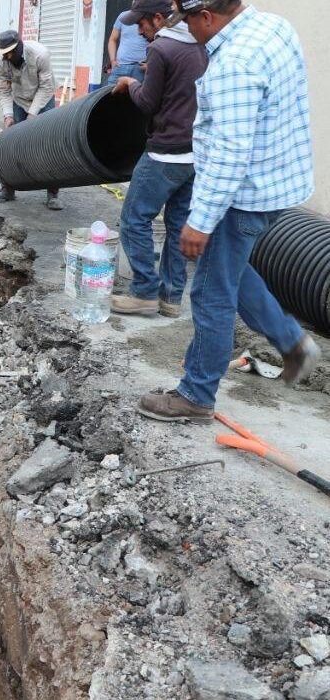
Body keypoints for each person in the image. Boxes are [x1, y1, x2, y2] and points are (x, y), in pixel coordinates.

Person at [138, 0, 321, 423]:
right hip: (278, 184)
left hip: (243, 195)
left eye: (189, 22)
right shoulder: (272, 27)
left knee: (210, 292)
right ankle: (293, 344)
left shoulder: (235, 62)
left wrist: (200, 221)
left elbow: (230, 153)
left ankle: (196, 395)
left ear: (208, 16)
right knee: (232, 272)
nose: (188, 32)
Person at [108, 0, 206, 318]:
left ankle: (144, 292)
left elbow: (148, 103)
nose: (138, 30)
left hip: (165, 153)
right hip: (195, 154)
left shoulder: (162, 49)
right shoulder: (198, 44)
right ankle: (171, 298)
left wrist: (132, 83)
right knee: (177, 225)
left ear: (159, 19)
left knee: (134, 220)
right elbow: (183, 88)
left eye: (142, 23)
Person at [0, 30, 63, 211]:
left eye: (11, 52)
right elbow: (4, 91)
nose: (8, 56)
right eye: (5, 53)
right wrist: (8, 115)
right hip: (19, 100)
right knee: (12, 144)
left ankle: (52, 193)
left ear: (20, 46)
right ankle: (8, 188)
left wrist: (33, 115)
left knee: (48, 144)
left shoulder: (40, 54)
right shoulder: (0, 63)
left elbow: (46, 87)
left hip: (43, 99)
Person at [107, 6, 149, 85]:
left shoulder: (149, 17)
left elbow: (158, 41)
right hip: (120, 66)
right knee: (109, 94)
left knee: (136, 96)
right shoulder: (123, 16)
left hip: (140, 67)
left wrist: (150, 64)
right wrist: (113, 61)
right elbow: (112, 39)